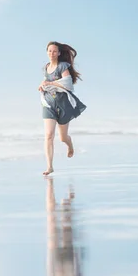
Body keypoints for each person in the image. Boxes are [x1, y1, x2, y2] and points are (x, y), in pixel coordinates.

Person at [38, 41, 87, 176]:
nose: (51, 53)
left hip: (63, 104)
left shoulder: (63, 66)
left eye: (54, 51)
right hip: (48, 104)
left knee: (62, 137)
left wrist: (50, 83)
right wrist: (43, 85)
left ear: (59, 53)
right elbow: (45, 81)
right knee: (48, 135)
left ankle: (70, 145)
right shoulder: (46, 67)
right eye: (49, 51)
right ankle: (49, 166)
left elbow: (68, 83)